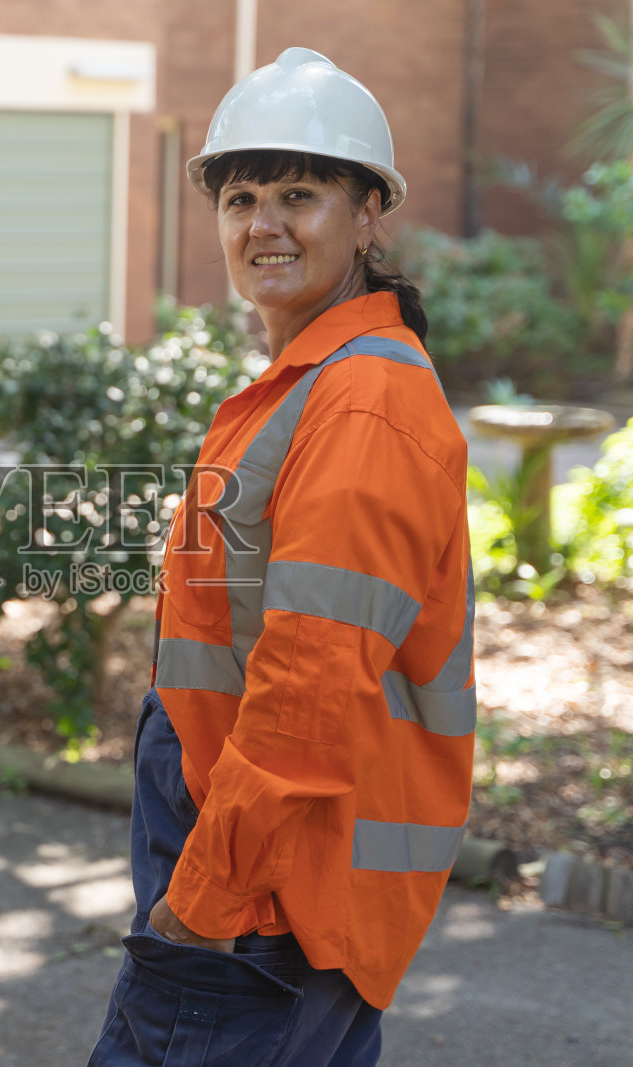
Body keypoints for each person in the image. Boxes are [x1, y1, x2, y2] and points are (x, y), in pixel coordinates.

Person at [87, 47, 476, 1067]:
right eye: (242, 196)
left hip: (263, 897)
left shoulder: (362, 402)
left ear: (365, 214)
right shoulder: (310, 380)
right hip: (266, 875)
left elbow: (310, 687)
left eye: (299, 193)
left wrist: (201, 905)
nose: (263, 222)